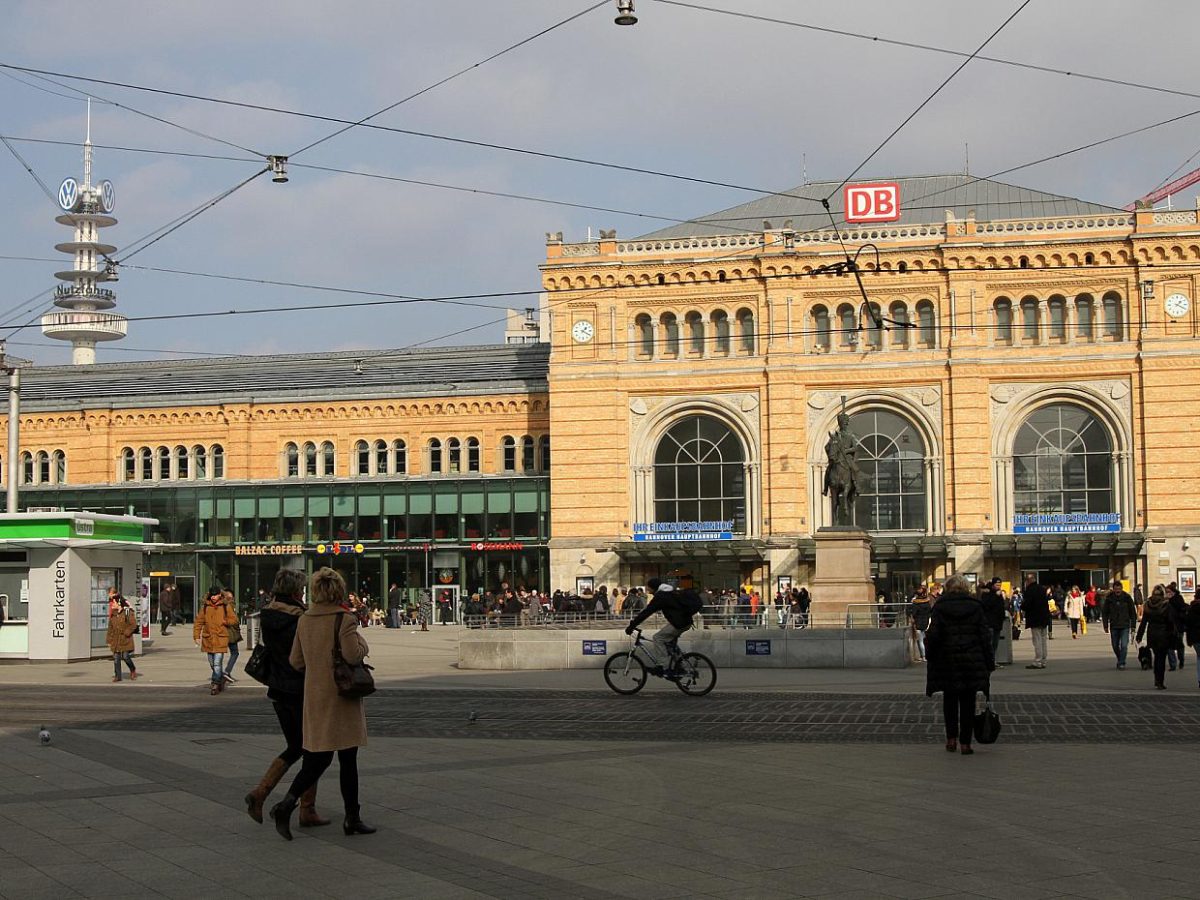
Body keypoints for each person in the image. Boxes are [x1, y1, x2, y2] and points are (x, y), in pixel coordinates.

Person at [270, 567, 375, 840]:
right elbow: (354, 655)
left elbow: (296, 661)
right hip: (342, 698)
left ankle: (286, 804)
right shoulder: (345, 619)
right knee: (348, 760)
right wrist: (363, 645)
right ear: (338, 590)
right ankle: (352, 817)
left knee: (317, 760)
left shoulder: (305, 619)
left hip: (315, 697)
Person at [244, 568, 330, 829]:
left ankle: (263, 794)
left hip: (278, 690)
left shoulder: (268, 615)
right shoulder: (300, 619)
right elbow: (306, 655)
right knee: (313, 749)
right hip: (301, 690)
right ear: (295, 591)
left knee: (297, 747)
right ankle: (302, 807)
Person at [925, 574, 994, 755]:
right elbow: (984, 636)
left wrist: (930, 655)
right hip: (971, 660)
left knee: (949, 701)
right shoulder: (975, 606)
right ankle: (966, 743)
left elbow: (933, 635)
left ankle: (951, 739)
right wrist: (989, 661)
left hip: (947, 660)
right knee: (968, 702)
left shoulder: (940, 607)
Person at [624, 577, 698, 678]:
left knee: (658, 638)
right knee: (669, 644)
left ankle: (664, 667)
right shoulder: (669, 592)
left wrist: (632, 626)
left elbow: (647, 612)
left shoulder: (661, 596)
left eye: (649, 588)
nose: (648, 590)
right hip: (685, 621)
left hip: (679, 623)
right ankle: (680, 667)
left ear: (653, 588)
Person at [194, 586, 237, 695]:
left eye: (215, 595)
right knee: (212, 663)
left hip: (220, 637)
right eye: (212, 595)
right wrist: (196, 636)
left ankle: (215, 684)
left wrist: (225, 621)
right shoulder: (205, 607)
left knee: (217, 663)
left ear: (219, 595)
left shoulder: (225, 606)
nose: (213, 597)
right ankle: (220, 679)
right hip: (208, 638)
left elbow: (234, 619)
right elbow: (199, 622)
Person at [1136, 585, 1176, 689]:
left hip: (1152, 633)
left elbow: (1144, 622)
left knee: (1156, 656)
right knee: (1161, 658)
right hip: (1163, 633)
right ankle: (1160, 681)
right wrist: (1173, 634)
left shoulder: (1148, 604)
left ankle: (1156, 679)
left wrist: (1139, 635)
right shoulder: (1166, 605)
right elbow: (1170, 621)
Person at [1101, 579, 1137, 669]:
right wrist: (1105, 625)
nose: (1117, 591)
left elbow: (1133, 612)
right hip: (1114, 625)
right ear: (1113, 589)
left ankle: (1122, 662)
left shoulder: (1127, 598)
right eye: (1116, 589)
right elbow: (1105, 613)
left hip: (1125, 625)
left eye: (1119, 589)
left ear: (1121, 589)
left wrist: (1133, 626)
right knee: (1115, 645)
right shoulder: (1109, 598)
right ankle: (1120, 658)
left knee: (1124, 645)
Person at [106, 596, 138, 683]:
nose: (112, 605)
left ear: (119, 603)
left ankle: (132, 669)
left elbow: (133, 624)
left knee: (125, 657)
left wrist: (127, 632)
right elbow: (110, 628)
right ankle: (118, 676)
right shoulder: (113, 614)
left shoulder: (127, 612)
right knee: (116, 658)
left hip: (125, 639)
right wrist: (109, 639)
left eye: (114, 602)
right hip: (116, 639)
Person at [1022, 574, 1051, 669]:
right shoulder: (1042, 589)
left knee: (1037, 640)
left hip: (1035, 618)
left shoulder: (1030, 590)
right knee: (1043, 640)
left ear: (1028, 581)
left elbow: (1027, 604)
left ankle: (1037, 661)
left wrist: (1022, 606)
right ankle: (1043, 661)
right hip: (1044, 617)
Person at [978, 577, 1007, 663]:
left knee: (995, 643)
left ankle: (993, 660)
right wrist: (996, 596)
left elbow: (1001, 607)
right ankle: (988, 660)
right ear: (993, 585)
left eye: (1000, 585)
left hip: (998, 622)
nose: (999, 586)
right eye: (997, 585)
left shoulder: (999, 594)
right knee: (989, 643)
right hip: (990, 622)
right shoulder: (987, 593)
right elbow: (986, 605)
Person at [220, 590, 243, 683]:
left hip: (227, 632)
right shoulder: (227, 606)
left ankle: (224, 673)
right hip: (230, 633)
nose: (231, 599)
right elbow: (234, 620)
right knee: (234, 652)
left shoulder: (223, 605)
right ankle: (226, 672)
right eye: (230, 597)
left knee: (221, 653)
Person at [1165, 583, 1188, 672]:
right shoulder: (1166, 601)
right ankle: (1173, 664)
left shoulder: (1178, 599)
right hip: (1169, 626)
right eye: (1166, 592)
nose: (1168, 593)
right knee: (1169, 646)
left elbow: (1182, 609)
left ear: (1173, 592)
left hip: (1178, 626)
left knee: (1179, 645)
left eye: (1169, 592)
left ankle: (1181, 659)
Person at [908, 585, 932, 662]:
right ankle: (925, 655)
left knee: (920, 640)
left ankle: (923, 656)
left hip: (918, 622)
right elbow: (930, 612)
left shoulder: (916, 603)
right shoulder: (927, 601)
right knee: (923, 639)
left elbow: (914, 613)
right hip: (926, 622)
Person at [1186, 590, 1200, 689]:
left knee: (1199, 658)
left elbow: (1188, 625)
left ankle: (1199, 679)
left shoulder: (1192, 608)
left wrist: (1189, 639)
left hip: (1195, 638)